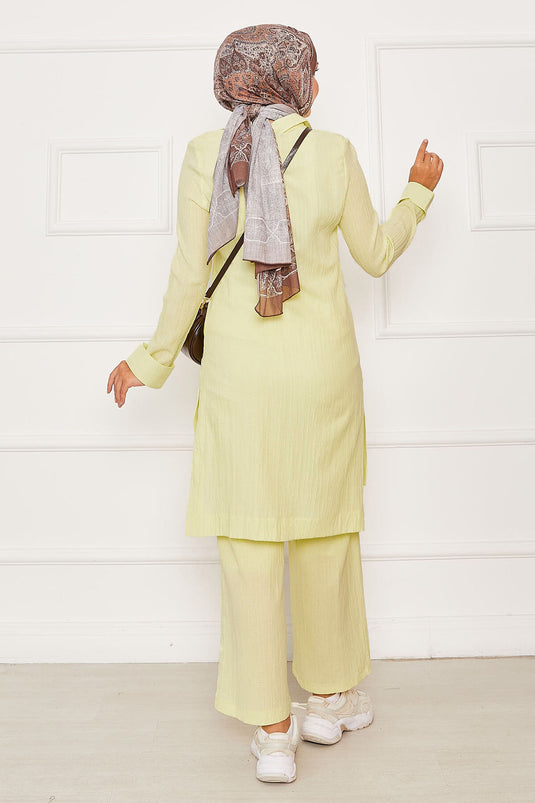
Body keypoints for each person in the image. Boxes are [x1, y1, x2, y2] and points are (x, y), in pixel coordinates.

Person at [107, 23, 443, 784]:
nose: (318, 85)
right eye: (311, 73)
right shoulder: (332, 152)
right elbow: (375, 255)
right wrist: (417, 192)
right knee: (325, 536)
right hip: (321, 378)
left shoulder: (206, 154)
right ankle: (326, 699)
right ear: (289, 81)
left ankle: (272, 731)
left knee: (250, 548)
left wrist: (149, 361)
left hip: (240, 382)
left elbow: (188, 274)